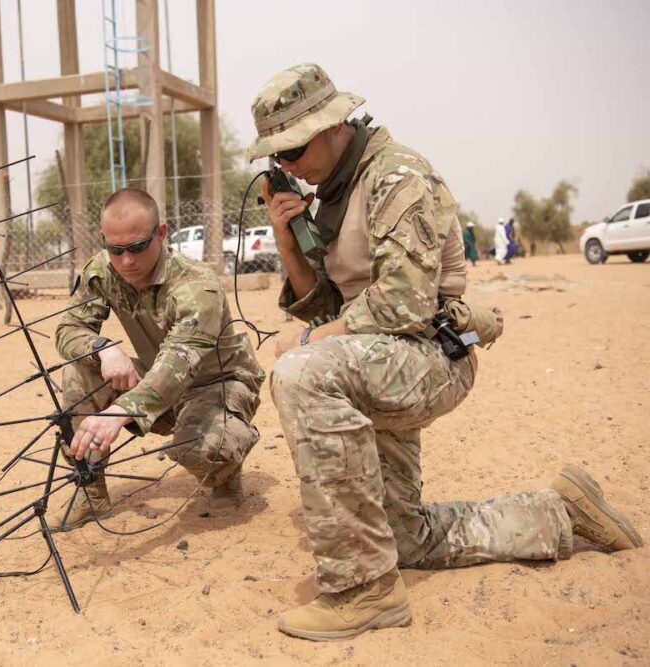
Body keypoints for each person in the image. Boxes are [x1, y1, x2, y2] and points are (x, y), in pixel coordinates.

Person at [249, 62, 642, 641]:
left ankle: (364, 591)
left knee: (303, 373)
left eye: (293, 149)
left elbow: (402, 306)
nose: (287, 166)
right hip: (374, 360)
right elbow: (326, 305)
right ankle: (558, 513)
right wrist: (287, 237)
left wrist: (307, 342)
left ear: (334, 127)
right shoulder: (333, 189)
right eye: (276, 158)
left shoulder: (395, 175)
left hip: (427, 358)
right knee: (401, 539)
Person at [52, 188, 266, 529]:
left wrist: (121, 411)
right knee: (80, 371)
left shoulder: (197, 284)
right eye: (115, 249)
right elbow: (68, 328)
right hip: (157, 379)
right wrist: (103, 348)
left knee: (202, 449)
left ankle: (226, 466)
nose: (126, 261)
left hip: (216, 384)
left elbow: (180, 363)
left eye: (137, 247)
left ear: (161, 234)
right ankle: (90, 490)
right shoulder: (102, 271)